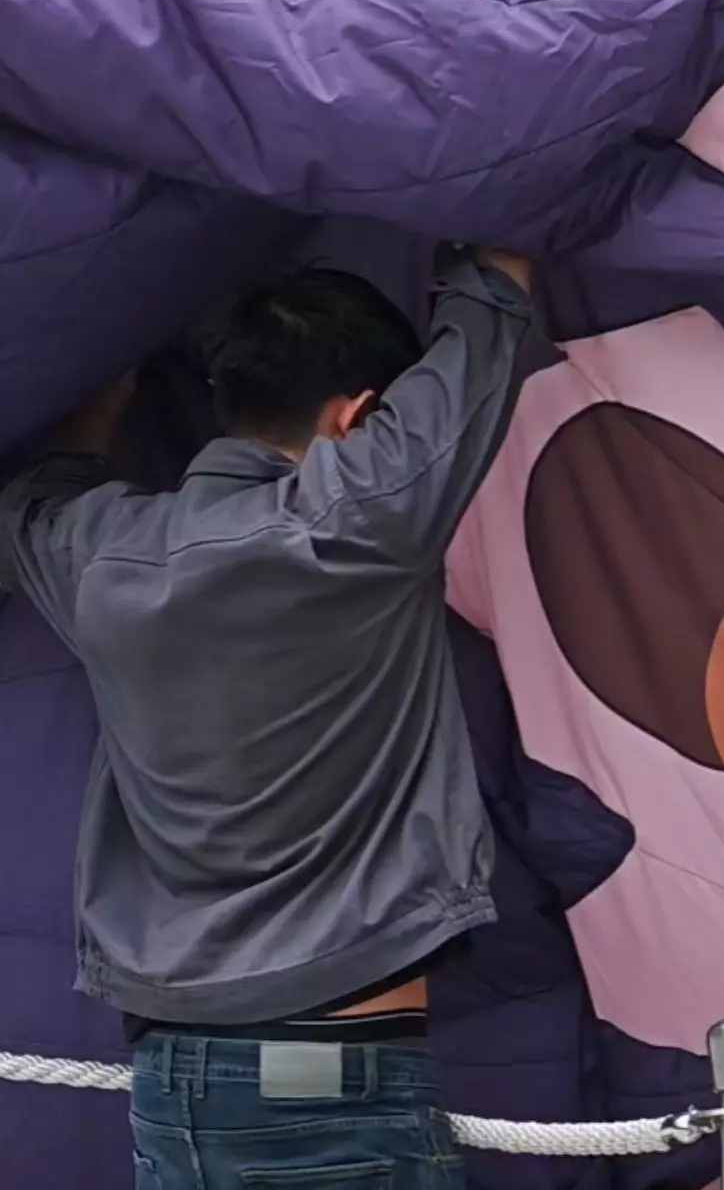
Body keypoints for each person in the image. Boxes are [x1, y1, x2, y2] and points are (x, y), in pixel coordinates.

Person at [0, 243, 538, 1189]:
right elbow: (491, 313)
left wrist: (108, 383)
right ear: (356, 419)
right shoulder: (359, 518)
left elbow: (36, 490)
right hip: (330, 1077)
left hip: (172, 1081)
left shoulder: (99, 551)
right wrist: (482, 231)